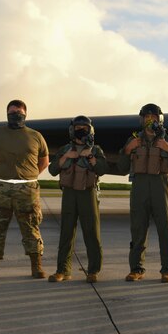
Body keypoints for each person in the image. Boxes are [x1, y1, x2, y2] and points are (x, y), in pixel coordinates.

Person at [0, 99, 49, 281]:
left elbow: (43, 161)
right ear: (7, 113)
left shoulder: (36, 136)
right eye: (11, 112)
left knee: (31, 227)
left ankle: (36, 266)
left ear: (25, 113)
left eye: (18, 112)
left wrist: (27, 176)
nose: (15, 115)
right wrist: (3, 173)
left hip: (26, 189)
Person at [118, 104, 168, 283]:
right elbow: (122, 167)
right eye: (146, 117)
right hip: (140, 188)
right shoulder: (133, 140)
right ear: (142, 120)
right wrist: (127, 149)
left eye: (153, 117)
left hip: (161, 187)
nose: (150, 120)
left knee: (166, 230)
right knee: (138, 229)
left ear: (159, 119)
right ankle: (136, 269)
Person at [46, 116, 108, 283]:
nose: (81, 130)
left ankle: (93, 270)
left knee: (91, 233)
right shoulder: (64, 149)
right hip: (69, 194)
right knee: (66, 232)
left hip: (87, 194)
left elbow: (102, 169)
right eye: (78, 127)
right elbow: (52, 170)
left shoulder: (95, 150)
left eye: (84, 128)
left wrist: (91, 159)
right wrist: (66, 157)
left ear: (90, 131)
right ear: (72, 130)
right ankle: (62, 270)